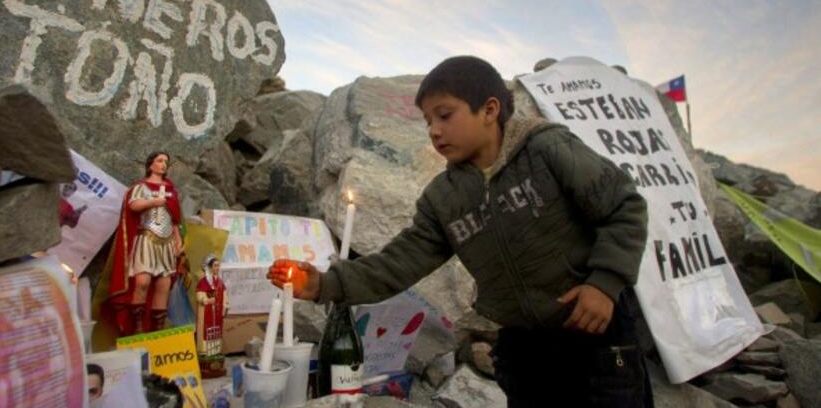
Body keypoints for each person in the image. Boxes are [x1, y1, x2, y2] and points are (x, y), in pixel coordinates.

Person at [269, 56, 652, 407]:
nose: (434, 131)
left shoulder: (546, 149)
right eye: (428, 121)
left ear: (489, 110)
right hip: (527, 351)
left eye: (445, 115)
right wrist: (323, 284)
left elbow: (624, 206)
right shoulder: (444, 199)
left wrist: (605, 283)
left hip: (594, 332)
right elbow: (398, 262)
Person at [107, 151, 183, 335]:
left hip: (167, 241)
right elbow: (133, 205)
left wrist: (178, 240)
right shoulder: (141, 187)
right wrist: (153, 202)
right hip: (146, 237)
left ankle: (157, 331)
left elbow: (174, 219)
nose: (163, 164)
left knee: (163, 285)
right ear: (151, 164)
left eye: (166, 161)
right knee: (142, 282)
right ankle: (138, 329)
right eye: (160, 160)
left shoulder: (171, 190)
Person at [195, 254, 227, 359]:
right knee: (206, 329)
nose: (217, 268)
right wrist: (207, 300)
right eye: (215, 266)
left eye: (218, 265)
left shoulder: (220, 282)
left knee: (217, 329)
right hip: (206, 311)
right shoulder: (203, 282)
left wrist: (225, 305)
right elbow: (199, 295)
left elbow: (224, 294)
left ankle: (215, 350)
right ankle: (204, 350)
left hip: (217, 311)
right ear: (209, 267)